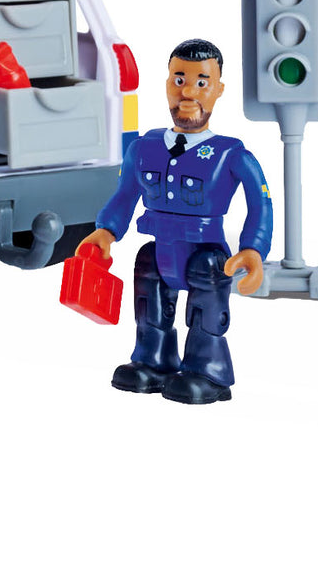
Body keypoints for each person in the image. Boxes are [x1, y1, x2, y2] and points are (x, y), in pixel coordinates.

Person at [80, 38, 273, 404]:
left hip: (206, 253)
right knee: (149, 303)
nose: (188, 92)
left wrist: (253, 249)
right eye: (179, 79)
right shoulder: (144, 147)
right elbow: (125, 194)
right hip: (157, 249)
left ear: (218, 89)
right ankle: (153, 361)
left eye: (201, 82)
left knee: (205, 312)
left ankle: (207, 371)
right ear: (167, 82)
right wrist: (106, 231)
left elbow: (260, 203)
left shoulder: (231, 154)